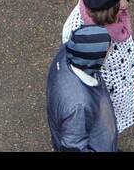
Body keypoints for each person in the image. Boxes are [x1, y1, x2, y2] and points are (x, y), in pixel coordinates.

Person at [61, 0, 134, 136]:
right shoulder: (81, 35)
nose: (127, 4)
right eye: (120, 7)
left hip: (119, 77)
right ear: (109, 13)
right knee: (105, 123)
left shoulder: (100, 10)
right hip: (105, 87)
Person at [46, 24, 118, 152]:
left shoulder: (67, 54)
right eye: (107, 49)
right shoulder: (78, 105)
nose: (111, 50)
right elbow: (73, 147)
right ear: (92, 59)